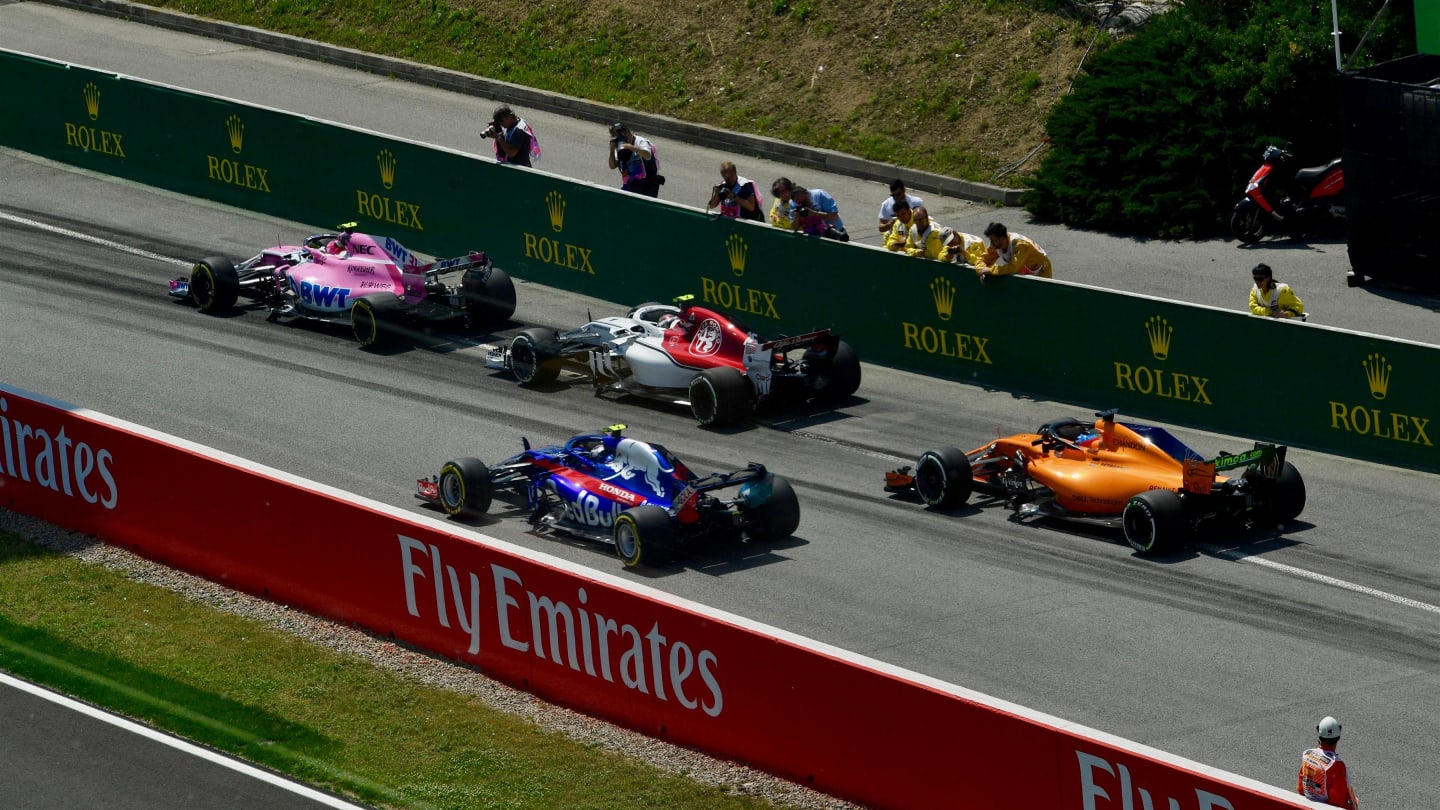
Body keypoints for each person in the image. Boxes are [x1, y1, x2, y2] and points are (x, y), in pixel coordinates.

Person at [1297, 716, 1360, 808]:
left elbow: (1301, 788)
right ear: (1338, 738)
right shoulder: (1336, 764)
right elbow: (1338, 801)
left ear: (1319, 734)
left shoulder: (1307, 754)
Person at [975, 222, 1053, 280]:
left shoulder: (1021, 245)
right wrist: (981, 270)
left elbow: (1013, 268)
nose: (991, 244)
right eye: (990, 240)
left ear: (1002, 238)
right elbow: (982, 259)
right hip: (1024, 269)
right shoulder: (996, 244)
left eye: (993, 240)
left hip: (1041, 269)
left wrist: (990, 270)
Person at [607, 122, 663, 197]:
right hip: (630, 183)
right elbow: (612, 166)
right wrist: (612, 151)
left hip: (647, 184)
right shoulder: (619, 144)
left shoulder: (640, 142)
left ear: (627, 132)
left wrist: (632, 148)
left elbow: (647, 155)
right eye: (615, 136)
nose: (619, 137)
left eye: (620, 134)